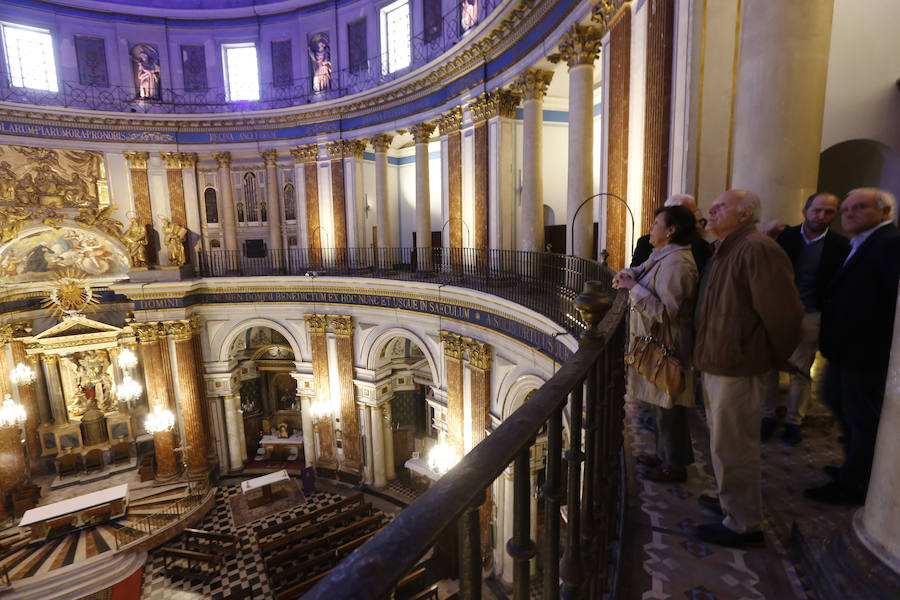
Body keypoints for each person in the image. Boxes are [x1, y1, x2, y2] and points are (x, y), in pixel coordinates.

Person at [693, 189, 803, 547]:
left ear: (745, 215)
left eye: (721, 206)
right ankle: (730, 503)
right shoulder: (727, 249)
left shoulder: (757, 249)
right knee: (724, 442)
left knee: (735, 446)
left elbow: (784, 315)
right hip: (719, 361)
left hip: (737, 366)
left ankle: (743, 524)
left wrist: (768, 356)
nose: (711, 209)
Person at [805, 188, 900, 505]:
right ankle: (854, 466)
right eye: (846, 208)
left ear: (884, 212)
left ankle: (856, 483)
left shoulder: (889, 244)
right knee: (834, 399)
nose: (848, 214)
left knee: (862, 419)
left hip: (865, 354)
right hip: (846, 351)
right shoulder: (862, 243)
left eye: (859, 208)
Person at [613, 205, 699, 482]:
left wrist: (632, 288)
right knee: (660, 407)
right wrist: (626, 274)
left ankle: (675, 466)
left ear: (671, 230)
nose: (652, 227)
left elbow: (666, 311)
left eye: (656, 223)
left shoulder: (678, 264)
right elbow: (640, 270)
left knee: (669, 408)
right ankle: (664, 455)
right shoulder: (663, 254)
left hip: (668, 345)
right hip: (655, 343)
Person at [760, 193, 850, 445]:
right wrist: (768, 236)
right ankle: (767, 416)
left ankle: (793, 421)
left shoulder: (841, 245)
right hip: (778, 312)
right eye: (818, 210)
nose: (822, 216)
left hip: (813, 313)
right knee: (768, 367)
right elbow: (763, 264)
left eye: (829, 212)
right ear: (805, 211)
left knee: (801, 370)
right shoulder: (785, 237)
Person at [630, 194, 711, 274]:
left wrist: (631, 284)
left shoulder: (700, 249)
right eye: (691, 213)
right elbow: (635, 271)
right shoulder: (646, 243)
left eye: (696, 211)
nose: (696, 216)